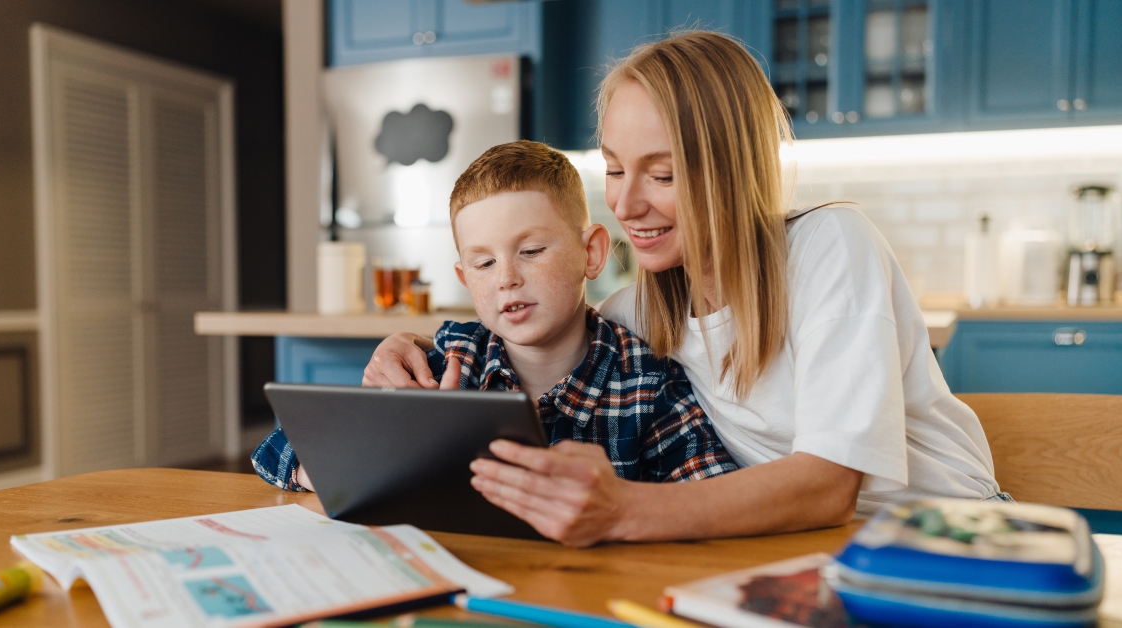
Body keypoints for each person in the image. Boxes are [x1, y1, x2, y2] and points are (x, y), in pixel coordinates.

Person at [363, 31, 1005, 547]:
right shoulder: (637, 313)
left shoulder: (829, 245)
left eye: (661, 175)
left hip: (950, 540)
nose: (626, 203)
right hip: (794, 547)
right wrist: (419, 349)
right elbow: (543, 336)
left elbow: (828, 486)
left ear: (731, 169)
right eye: (614, 169)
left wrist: (622, 510)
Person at [251, 140, 738, 512]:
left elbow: (714, 495)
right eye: (484, 264)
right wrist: (362, 467)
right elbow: (275, 452)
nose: (506, 278)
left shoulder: (647, 384)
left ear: (591, 253)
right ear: (465, 279)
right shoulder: (447, 364)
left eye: (530, 252)